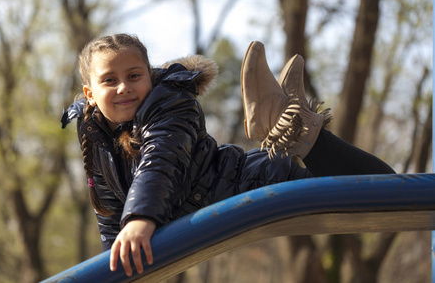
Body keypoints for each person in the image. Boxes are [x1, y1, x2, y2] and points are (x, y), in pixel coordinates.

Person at [61, 34, 395, 277]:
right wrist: (115, 266)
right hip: (205, 200)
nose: (124, 87)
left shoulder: (169, 104)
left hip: (248, 185)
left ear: (150, 75)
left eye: (134, 76)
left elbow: (161, 162)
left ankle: (304, 131)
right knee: (374, 197)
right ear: (90, 93)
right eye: (110, 80)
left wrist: (138, 219)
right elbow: (107, 206)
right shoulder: (94, 134)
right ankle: (296, 125)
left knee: (387, 194)